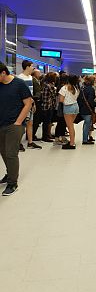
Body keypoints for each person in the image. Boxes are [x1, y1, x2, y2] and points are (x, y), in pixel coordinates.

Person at [0, 62, 33, 195]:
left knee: (11, 153)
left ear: (3, 73)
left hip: (14, 125)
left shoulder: (19, 84)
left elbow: (28, 103)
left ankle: (13, 183)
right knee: (3, 151)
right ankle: (9, 173)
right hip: (1, 123)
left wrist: (19, 122)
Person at [17, 60, 42, 150]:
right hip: (22, 104)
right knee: (21, 124)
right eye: (31, 66)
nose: (33, 68)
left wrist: (33, 103)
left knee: (30, 123)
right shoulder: (20, 78)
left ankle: (30, 142)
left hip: (30, 103)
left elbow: (31, 92)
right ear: (27, 67)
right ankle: (18, 143)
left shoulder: (30, 78)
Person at [59, 74, 80, 149]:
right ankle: (72, 141)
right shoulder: (76, 88)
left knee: (70, 127)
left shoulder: (64, 88)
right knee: (71, 126)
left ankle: (72, 143)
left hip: (68, 108)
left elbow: (61, 100)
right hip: (75, 106)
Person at [78, 75, 96, 145]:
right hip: (88, 110)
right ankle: (85, 140)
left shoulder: (83, 88)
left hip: (83, 109)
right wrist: (95, 104)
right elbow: (91, 101)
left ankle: (86, 138)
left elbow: (79, 99)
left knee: (86, 124)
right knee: (87, 125)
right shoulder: (91, 89)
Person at [41, 72, 58, 142]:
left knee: (48, 122)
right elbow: (45, 98)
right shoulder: (47, 86)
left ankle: (48, 135)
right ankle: (45, 136)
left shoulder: (50, 85)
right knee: (46, 122)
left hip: (50, 106)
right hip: (47, 106)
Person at [54, 72, 69, 145]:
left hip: (60, 106)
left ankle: (62, 136)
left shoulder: (60, 86)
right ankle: (57, 138)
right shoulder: (62, 87)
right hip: (61, 107)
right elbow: (61, 99)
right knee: (61, 122)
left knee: (62, 122)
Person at [32, 69, 42, 141]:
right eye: (39, 73)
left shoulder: (36, 80)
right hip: (35, 101)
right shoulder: (33, 80)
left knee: (36, 119)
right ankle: (32, 135)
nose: (40, 74)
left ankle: (32, 134)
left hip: (36, 101)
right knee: (35, 119)